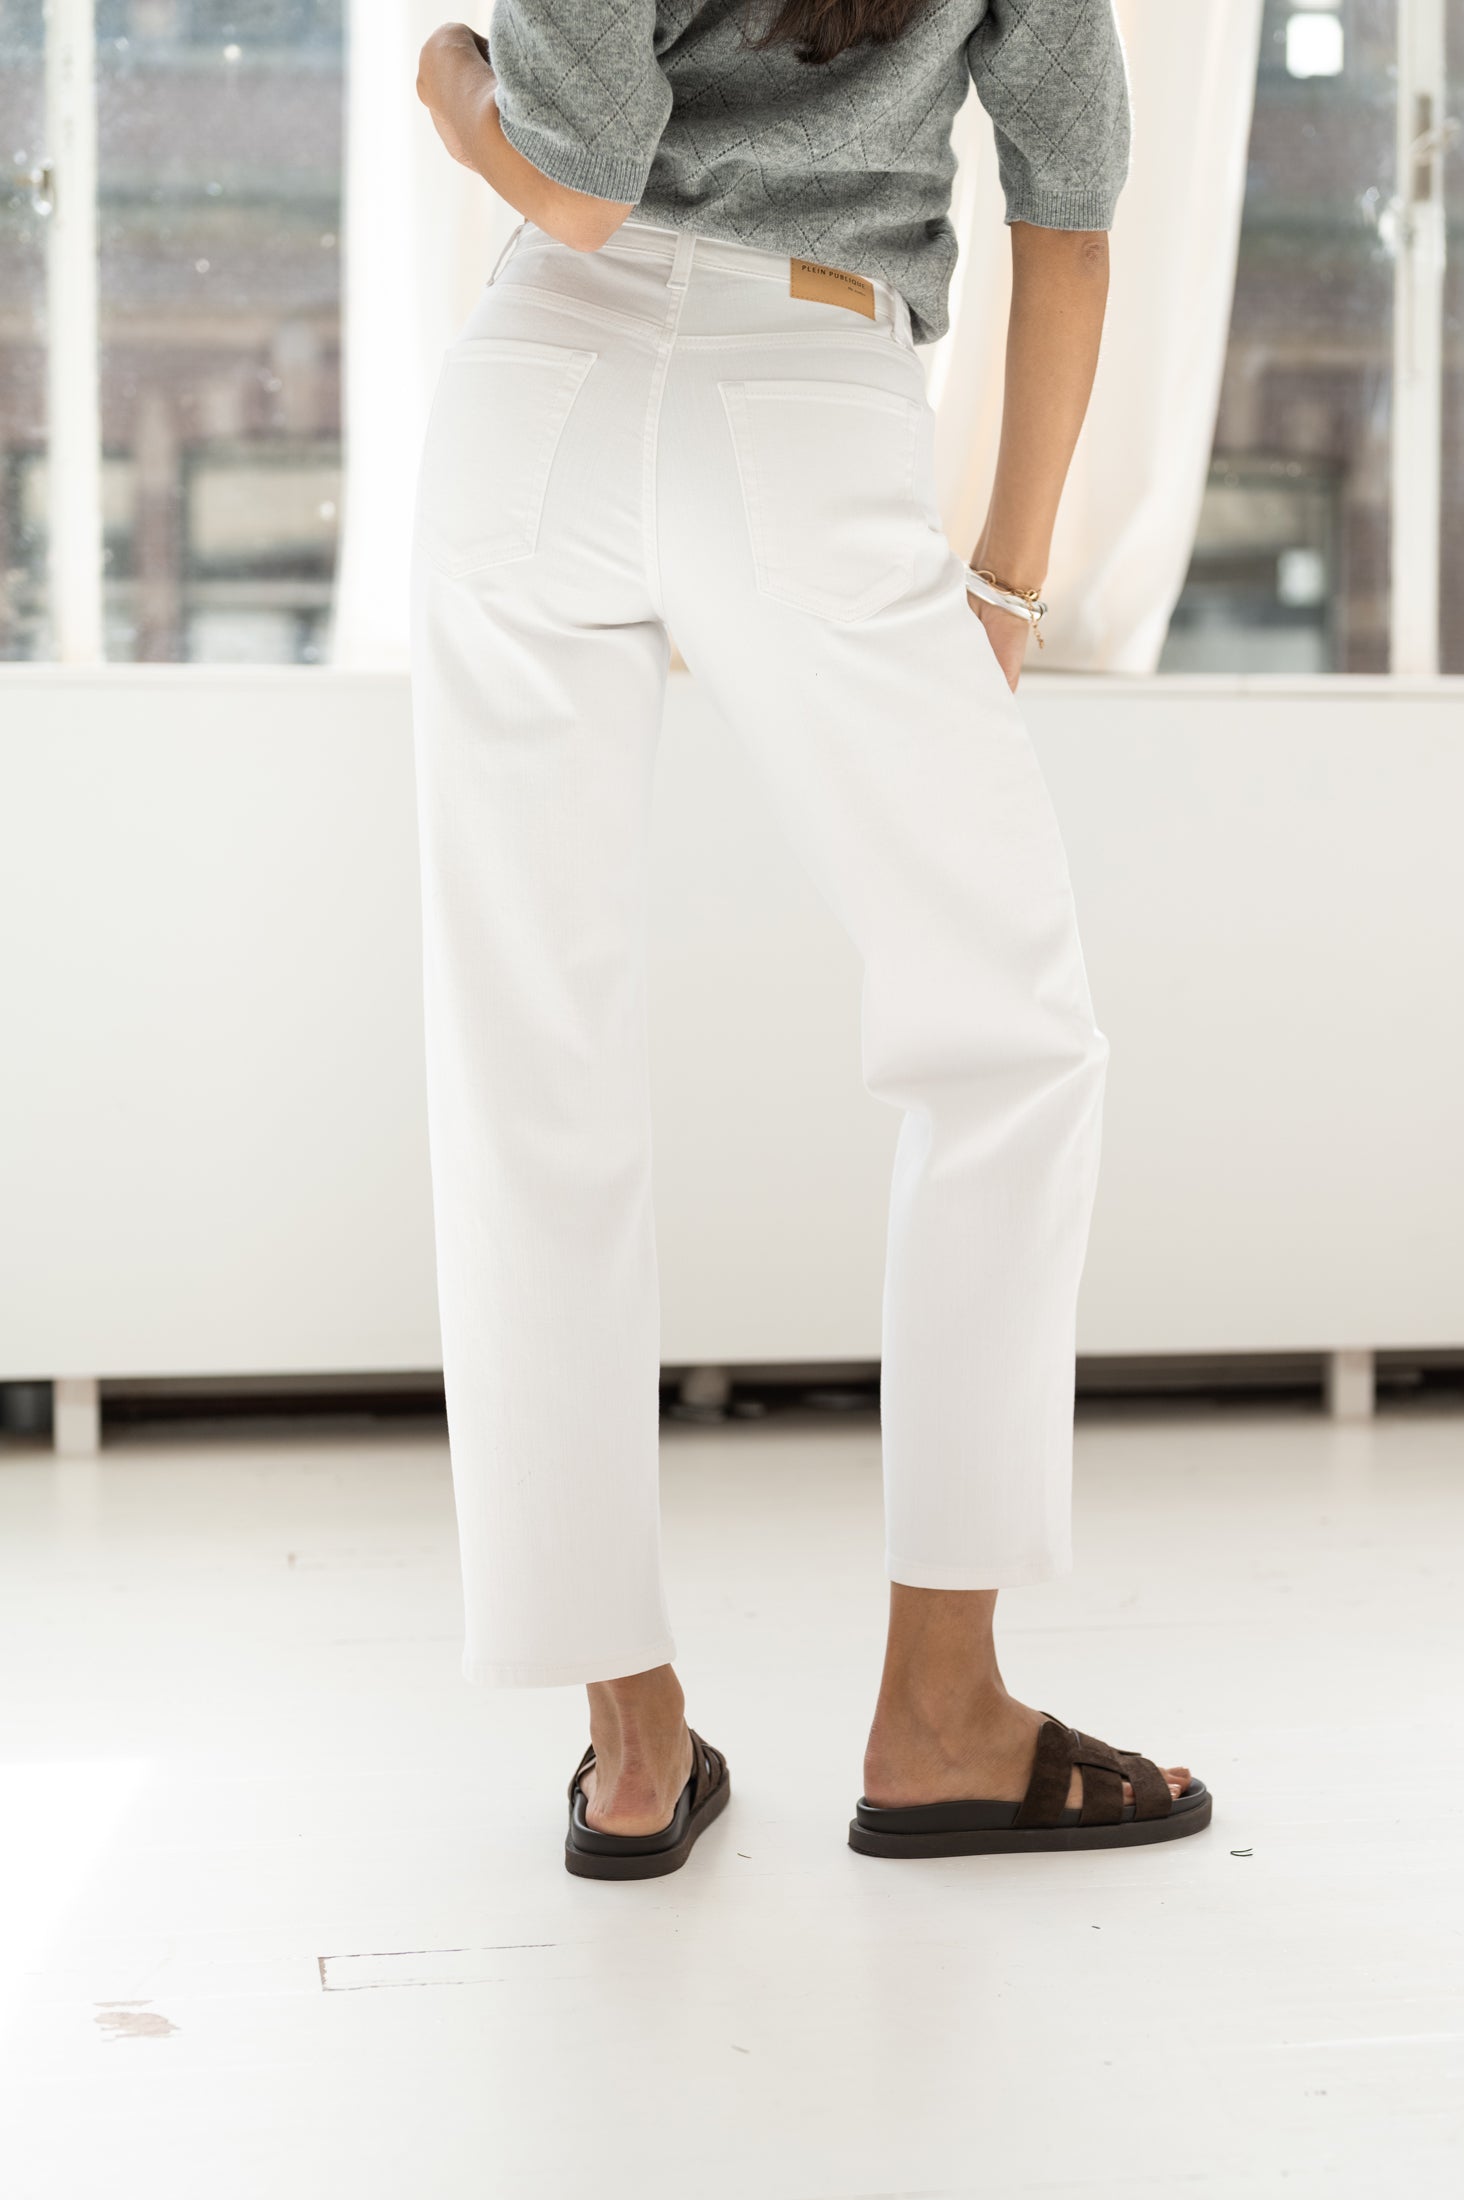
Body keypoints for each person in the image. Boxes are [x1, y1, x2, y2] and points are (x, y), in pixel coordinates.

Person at [411, 0, 1210, 1876]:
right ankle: (941, 1715)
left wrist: (450, 92)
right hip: (812, 397)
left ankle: (628, 1739)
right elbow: (1071, 213)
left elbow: (582, 183)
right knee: (1004, 1042)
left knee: (529, 1060)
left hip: (538, 398)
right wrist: (1009, 571)